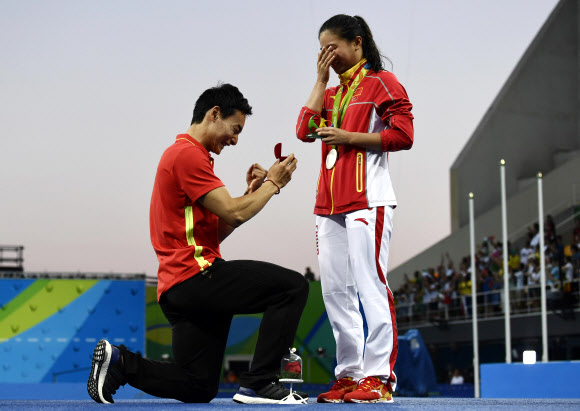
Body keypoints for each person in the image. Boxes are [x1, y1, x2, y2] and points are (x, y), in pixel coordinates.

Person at [87, 83, 310, 405]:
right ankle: (260, 383)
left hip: (179, 289)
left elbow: (219, 229)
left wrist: (250, 194)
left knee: (198, 386)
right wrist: (274, 183)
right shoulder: (188, 155)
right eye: (235, 130)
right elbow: (233, 212)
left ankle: (121, 363)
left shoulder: (185, 155)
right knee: (292, 287)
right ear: (214, 114)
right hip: (197, 276)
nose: (234, 140)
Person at [296, 14, 414, 403]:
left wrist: (351, 138)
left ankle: (379, 378)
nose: (327, 55)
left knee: (370, 284)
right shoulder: (330, 93)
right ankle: (350, 374)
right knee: (335, 291)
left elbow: (403, 134)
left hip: (368, 198)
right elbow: (303, 130)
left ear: (358, 43)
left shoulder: (383, 82)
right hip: (328, 202)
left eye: (333, 47)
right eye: (321, 49)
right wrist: (318, 81)